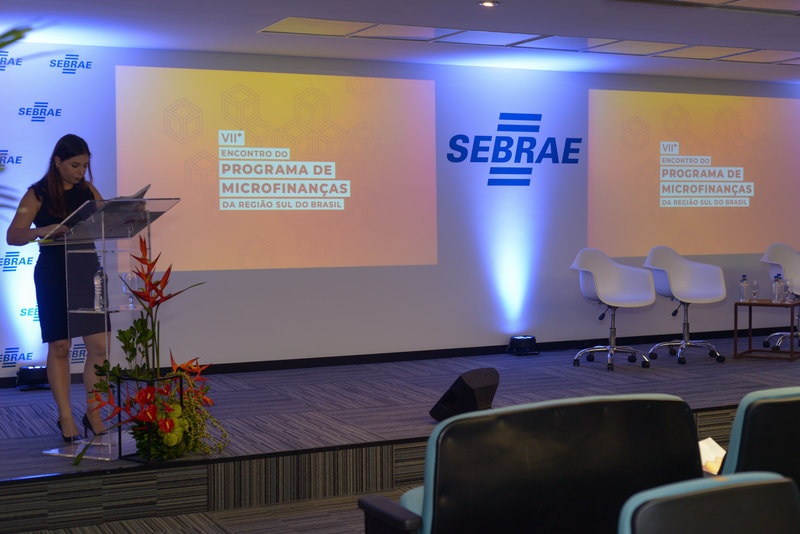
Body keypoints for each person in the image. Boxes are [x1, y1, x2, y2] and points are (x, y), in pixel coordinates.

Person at [6, 134, 108, 442]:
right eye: (75, 165)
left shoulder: (88, 191)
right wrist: (43, 230)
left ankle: (93, 411)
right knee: (61, 347)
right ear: (58, 161)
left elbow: (105, 221)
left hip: (87, 268)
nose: (81, 172)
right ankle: (64, 416)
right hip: (53, 272)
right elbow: (13, 235)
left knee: (99, 347)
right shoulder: (36, 194)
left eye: (85, 165)